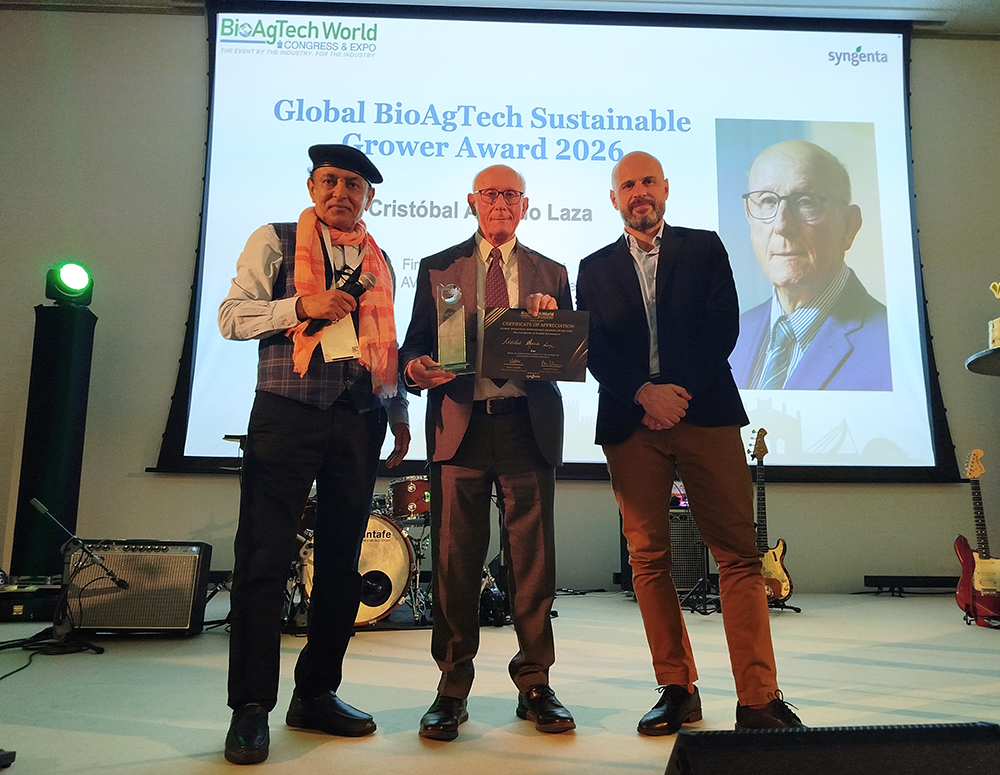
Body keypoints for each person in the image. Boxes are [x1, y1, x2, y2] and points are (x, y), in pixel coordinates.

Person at [575, 151, 804, 735]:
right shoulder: (593, 267)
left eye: (648, 181)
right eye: (628, 184)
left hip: (704, 412)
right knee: (648, 560)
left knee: (738, 556)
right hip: (630, 423)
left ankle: (758, 699)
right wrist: (643, 395)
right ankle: (677, 689)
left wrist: (675, 395)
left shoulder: (704, 248)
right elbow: (594, 349)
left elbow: (723, 327)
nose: (639, 191)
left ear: (666, 189)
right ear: (614, 199)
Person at [218, 144, 410, 765]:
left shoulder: (379, 259)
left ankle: (316, 694)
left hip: (360, 416)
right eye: (330, 181)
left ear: (368, 198)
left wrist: (398, 413)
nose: (340, 193)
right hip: (287, 411)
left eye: (354, 185)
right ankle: (251, 707)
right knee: (263, 559)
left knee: (341, 565)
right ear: (311, 186)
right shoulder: (274, 240)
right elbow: (230, 317)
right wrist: (302, 306)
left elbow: (385, 343)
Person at [399, 164, 575, 741]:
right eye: (490, 194)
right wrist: (415, 368)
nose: (500, 203)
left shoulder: (552, 272)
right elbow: (415, 345)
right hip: (461, 427)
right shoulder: (439, 268)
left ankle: (535, 682)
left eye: (511, 195)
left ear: (525, 205)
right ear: (472, 202)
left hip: (528, 425)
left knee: (533, 561)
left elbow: (571, 355)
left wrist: (557, 329)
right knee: (455, 561)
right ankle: (452, 687)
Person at [729, 140, 891, 390]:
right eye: (768, 201)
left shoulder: (891, 345)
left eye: (805, 202)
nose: (782, 225)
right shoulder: (732, 335)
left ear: (849, 226)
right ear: (749, 216)